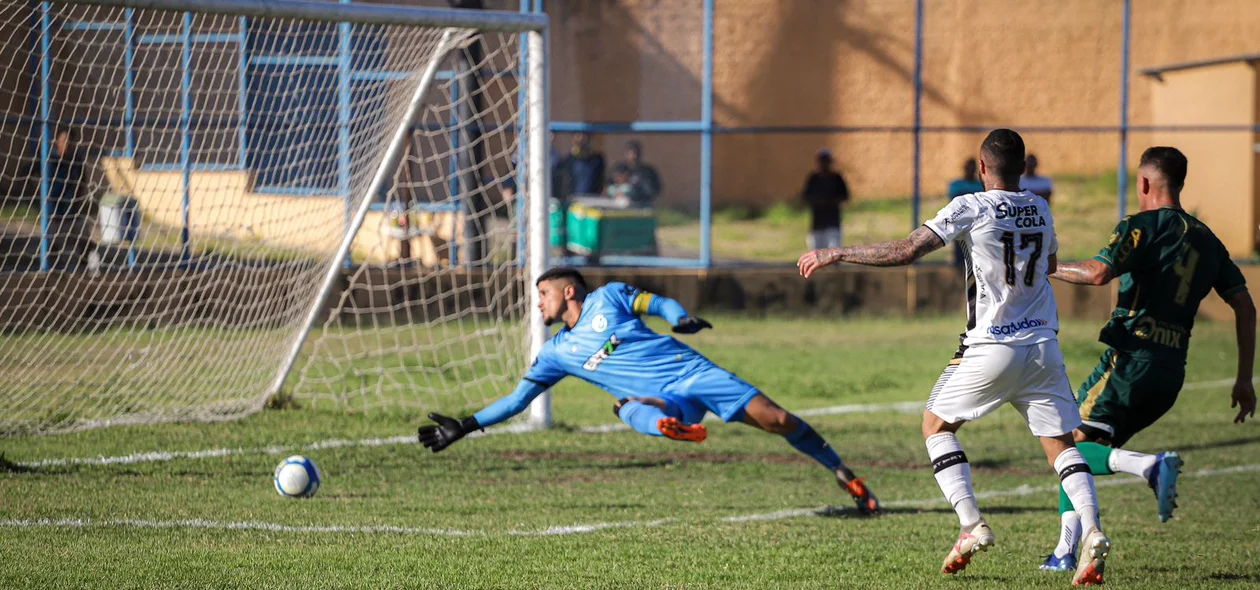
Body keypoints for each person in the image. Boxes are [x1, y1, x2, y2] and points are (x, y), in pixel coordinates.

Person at [797, 129, 1111, 586]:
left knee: (935, 426)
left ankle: (971, 525)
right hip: (1043, 346)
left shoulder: (970, 205)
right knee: (1062, 445)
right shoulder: (1040, 207)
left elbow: (907, 250)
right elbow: (1047, 266)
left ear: (981, 168)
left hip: (992, 346)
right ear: (1024, 169)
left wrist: (838, 251)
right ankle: (1093, 528)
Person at [417, 267, 882, 515]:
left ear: (568, 292)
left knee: (780, 421)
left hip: (695, 373)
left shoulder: (611, 297)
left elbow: (657, 303)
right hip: (663, 400)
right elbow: (518, 401)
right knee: (629, 405)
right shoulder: (556, 354)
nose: (537, 303)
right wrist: (468, 423)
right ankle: (670, 427)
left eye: (542, 295)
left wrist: (679, 317)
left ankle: (844, 474)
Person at [1038, 146, 1255, 573]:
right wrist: (1244, 379)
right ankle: (1067, 552)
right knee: (1081, 445)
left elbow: (1099, 273)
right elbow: (1246, 307)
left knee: (1065, 446)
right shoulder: (1208, 240)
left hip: (1129, 361)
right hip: (1171, 372)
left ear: (1144, 183)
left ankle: (1149, 466)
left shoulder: (1142, 225)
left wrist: (1045, 266)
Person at [47, 127, 95, 271]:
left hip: (73, 212)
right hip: (55, 214)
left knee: (83, 237)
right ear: (56, 142)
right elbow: (28, 172)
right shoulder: (50, 161)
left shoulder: (76, 161)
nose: (65, 144)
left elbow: (83, 182)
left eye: (68, 141)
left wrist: (78, 200)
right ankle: (52, 269)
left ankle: (86, 267)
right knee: (53, 245)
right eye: (62, 141)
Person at [800, 148, 849, 250]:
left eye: (826, 161)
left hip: (833, 222)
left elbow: (844, 196)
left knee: (834, 251)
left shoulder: (836, 178)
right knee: (816, 253)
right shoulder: (813, 179)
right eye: (822, 161)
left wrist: (830, 201)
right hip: (817, 222)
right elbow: (805, 197)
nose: (824, 164)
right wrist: (817, 201)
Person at [947, 158, 985, 270]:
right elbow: (955, 201)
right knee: (960, 251)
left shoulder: (979, 185)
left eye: (973, 167)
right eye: (969, 167)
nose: (971, 169)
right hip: (960, 223)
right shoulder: (956, 184)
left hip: (976, 224)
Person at [558, 132, 605, 198]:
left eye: (584, 136)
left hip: (592, 199)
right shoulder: (569, 159)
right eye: (578, 136)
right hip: (572, 199)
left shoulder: (597, 159)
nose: (581, 139)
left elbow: (601, 180)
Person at [621, 140, 662, 207]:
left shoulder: (647, 171)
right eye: (630, 153)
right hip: (624, 205)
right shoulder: (621, 169)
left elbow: (655, 188)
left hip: (643, 205)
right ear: (626, 154)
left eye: (635, 153)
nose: (633, 156)